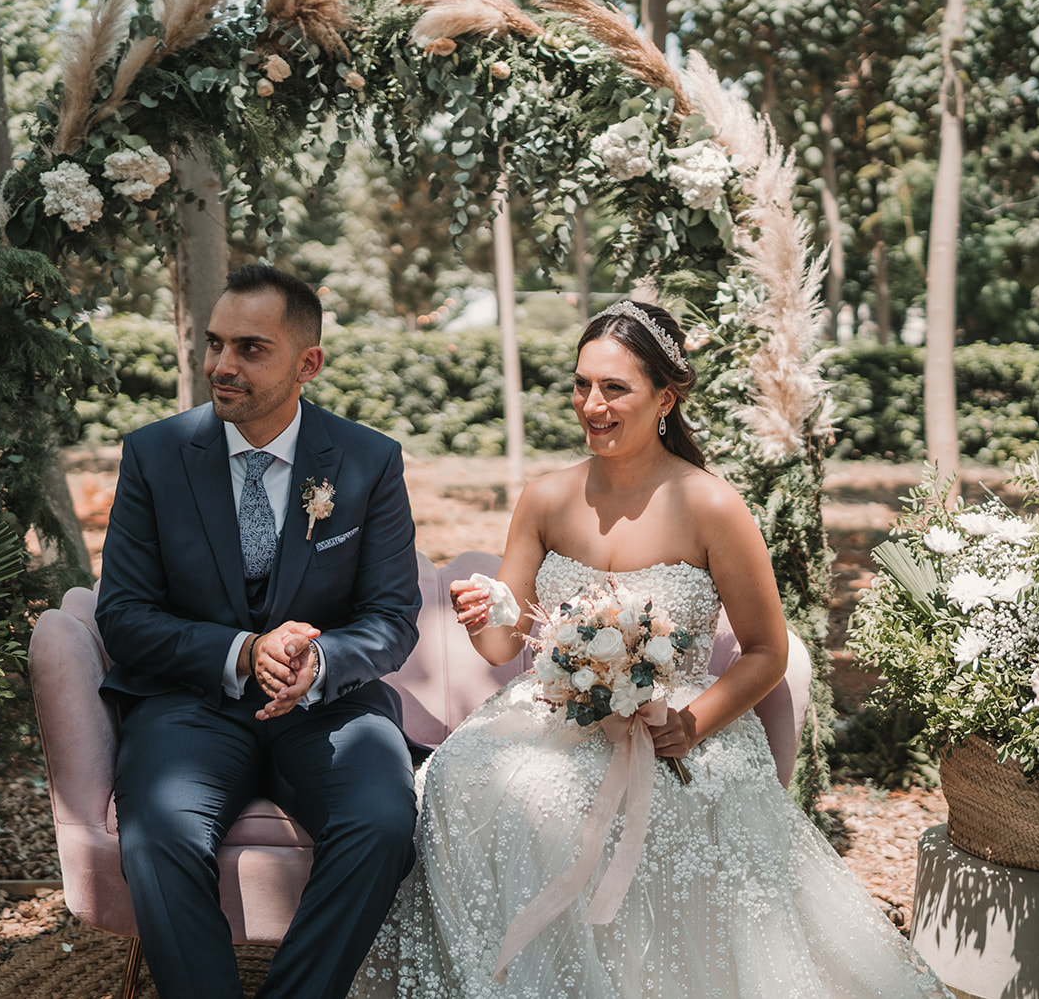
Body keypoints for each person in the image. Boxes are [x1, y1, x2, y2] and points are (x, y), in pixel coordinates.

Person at [351, 300, 952, 998]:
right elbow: (497, 646)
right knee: (469, 782)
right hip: (554, 717)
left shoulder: (711, 505)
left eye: (614, 387)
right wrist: (487, 610)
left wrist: (692, 725)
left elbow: (766, 648)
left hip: (680, 726)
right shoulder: (545, 498)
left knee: (647, 818)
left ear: (664, 396)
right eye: (581, 385)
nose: (592, 404)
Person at [97, 265, 422, 999]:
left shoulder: (369, 462)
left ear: (308, 364)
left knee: (380, 822)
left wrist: (322, 660)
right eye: (214, 344)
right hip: (190, 703)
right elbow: (122, 613)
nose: (221, 365)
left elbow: (393, 618)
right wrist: (241, 651)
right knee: (157, 834)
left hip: (328, 708)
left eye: (250, 348)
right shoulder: (155, 455)